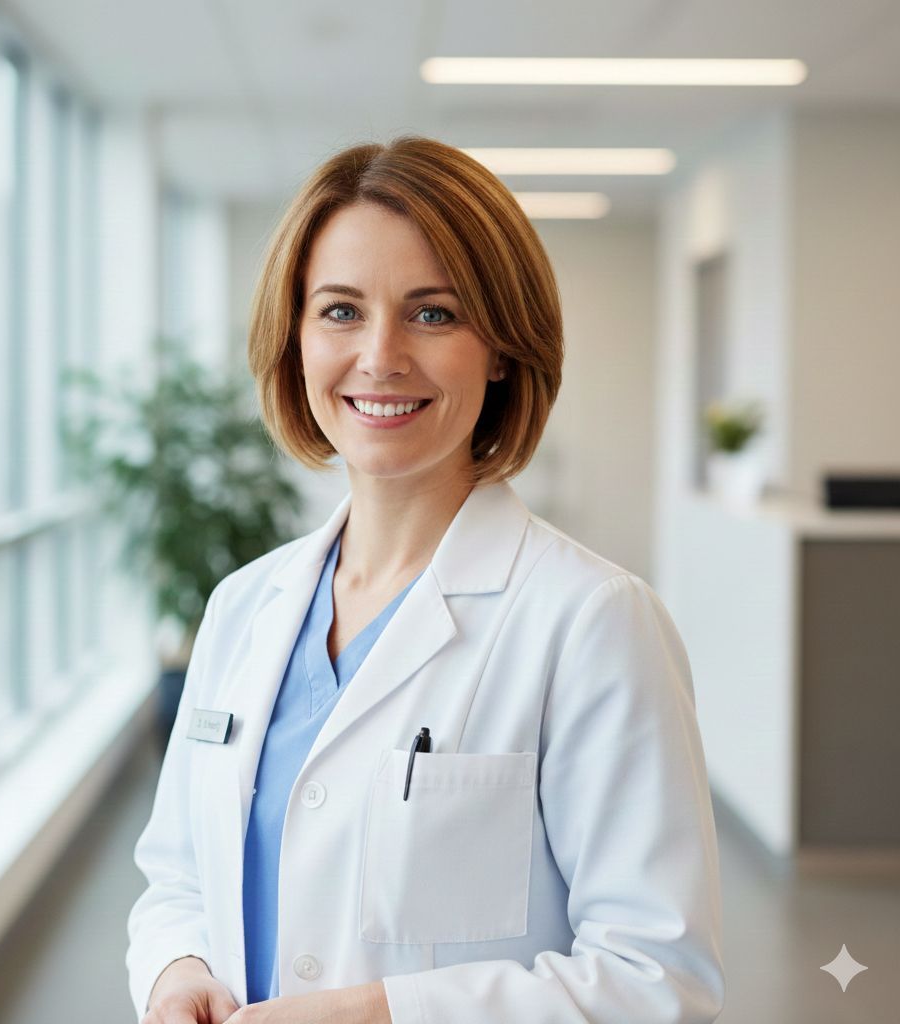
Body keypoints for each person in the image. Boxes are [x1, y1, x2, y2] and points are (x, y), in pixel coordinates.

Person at [126, 135, 725, 1024]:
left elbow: (657, 980)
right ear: (294, 341)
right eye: (339, 311)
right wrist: (177, 970)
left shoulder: (591, 622)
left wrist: (371, 1013)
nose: (380, 355)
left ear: (503, 349)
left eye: (433, 313)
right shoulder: (244, 608)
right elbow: (177, 873)